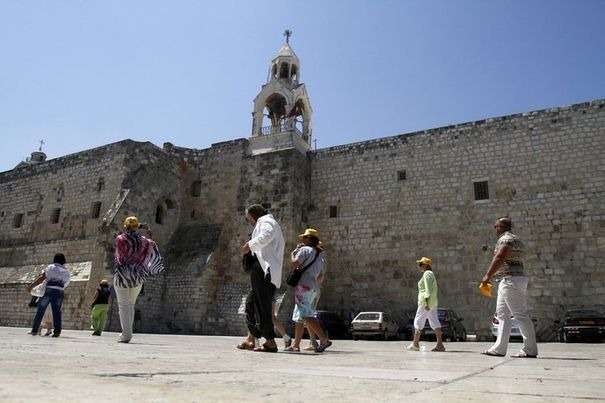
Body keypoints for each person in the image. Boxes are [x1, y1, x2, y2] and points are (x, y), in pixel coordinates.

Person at [481, 217, 538, 358]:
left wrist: (487, 275)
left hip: (510, 280)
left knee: (520, 314)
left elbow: (500, 257)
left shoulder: (506, 240)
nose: (495, 228)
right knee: (502, 314)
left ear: (503, 227)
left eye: (496, 226)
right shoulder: (516, 239)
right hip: (510, 280)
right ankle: (499, 348)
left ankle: (530, 349)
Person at [238, 204, 285, 353]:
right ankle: (251, 339)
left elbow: (267, 235)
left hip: (265, 271)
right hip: (262, 270)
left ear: (253, 216)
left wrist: (249, 245)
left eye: (249, 218)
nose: (249, 221)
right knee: (251, 303)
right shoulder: (266, 222)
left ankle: (270, 342)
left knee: (262, 306)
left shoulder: (266, 222)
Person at [113, 216, 164, 343]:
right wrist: (141, 228)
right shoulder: (145, 241)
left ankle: (126, 335)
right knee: (130, 305)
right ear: (136, 227)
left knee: (123, 306)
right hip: (138, 277)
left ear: (125, 226)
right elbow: (152, 245)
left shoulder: (120, 239)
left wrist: (137, 226)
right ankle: (127, 333)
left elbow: (121, 239)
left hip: (122, 276)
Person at [285, 228, 332, 353]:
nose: (302, 239)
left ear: (308, 239)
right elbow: (320, 275)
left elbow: (294, 263)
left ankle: (323, 339)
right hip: (313, 287)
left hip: (303, 287)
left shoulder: (304, 250)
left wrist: (293, 252)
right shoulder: (320, 255)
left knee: (306, 315)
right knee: (300, 317)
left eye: (304, 237)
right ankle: (296, 345)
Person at [406, 257, 445, 352]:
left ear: (425, 265)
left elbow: (428, 289)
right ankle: (440, 344)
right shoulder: (430, 274)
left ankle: (415, 344)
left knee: (418, 321)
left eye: (420, 264)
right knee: (434, 321)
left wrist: (426, 302)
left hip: (425, 302)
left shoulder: (427, 274)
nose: (419, 266)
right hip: (432, 302)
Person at [28, 253, 71, 338]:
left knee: (40, 310)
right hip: (59, 292)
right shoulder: (66, 272)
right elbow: (66, 283)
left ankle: (35, 330)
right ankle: (57, 332)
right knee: (57, 312)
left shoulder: (50, 267)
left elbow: (41, 278)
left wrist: (31, 286)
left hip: (49, 291)